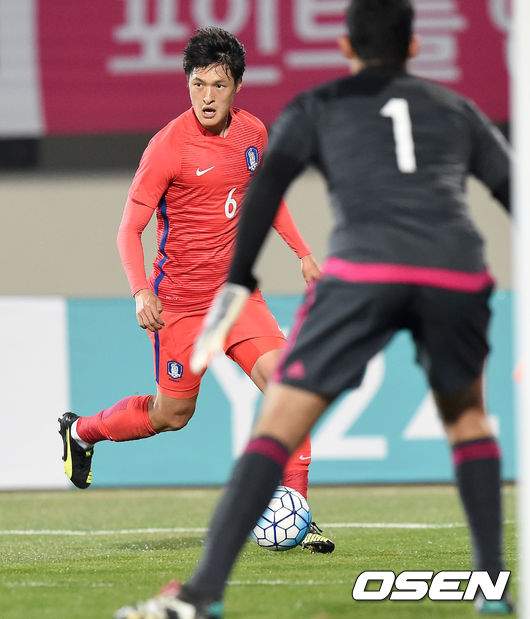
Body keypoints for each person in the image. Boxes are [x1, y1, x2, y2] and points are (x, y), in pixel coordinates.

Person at [114, 0, 514, 617]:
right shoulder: (457, 109)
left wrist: (243, 278)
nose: (208, 95)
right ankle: (492, 589)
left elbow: (264, 194)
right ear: (414, 48)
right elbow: (515, 191)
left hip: (366, 272)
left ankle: (201, 594)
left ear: (346, 49)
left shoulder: (316, 106)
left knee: (283, 411)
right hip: (453, 270)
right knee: (468, 421)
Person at [58, 26, 334, 554]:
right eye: (198, 84)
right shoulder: (168, 147)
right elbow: (128, 229)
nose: (207, 97)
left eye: (218, 85)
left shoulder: (253, 133)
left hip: (235, 297)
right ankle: (83, 431)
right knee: (172, 416)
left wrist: (302, 253)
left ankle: (298, 513)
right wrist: (141, 291)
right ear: (188, 83)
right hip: (181, 307)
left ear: (237, 87)